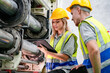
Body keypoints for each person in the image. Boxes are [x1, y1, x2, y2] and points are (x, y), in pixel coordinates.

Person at [66, 0, 110, 73]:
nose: (72, 18)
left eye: (72, 14)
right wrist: (85, 63)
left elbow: (94, 50)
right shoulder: (96, 23)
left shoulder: (84, 25)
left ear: (78, 10)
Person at [37, 8, 78, 73]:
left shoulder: (70, 36)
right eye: (53, 22)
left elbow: (65, 57)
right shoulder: (52, 38)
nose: (55, 24)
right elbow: (49, 56)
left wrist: (47, 52)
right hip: (52, 70)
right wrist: (44, 52)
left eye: (57, 21)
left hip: (65, 70)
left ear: (63, 22)